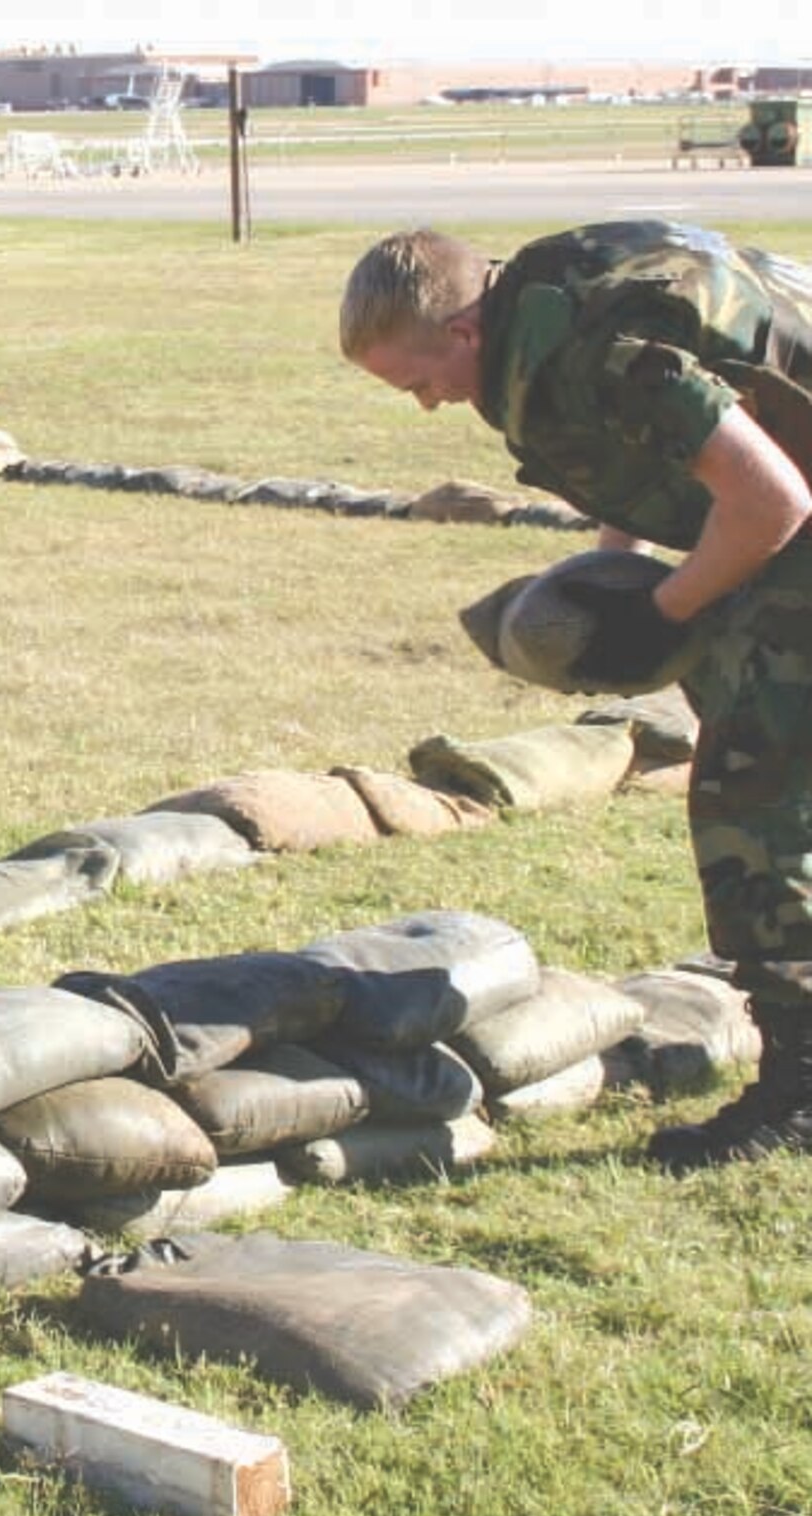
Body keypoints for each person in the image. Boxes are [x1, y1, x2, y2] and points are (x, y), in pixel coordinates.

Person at [340, 220, 812, 1174]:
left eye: (419, 380)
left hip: (792, 508)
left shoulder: (592, 345)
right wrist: (615, 569)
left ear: (464, 332)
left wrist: (658, 617)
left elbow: (772, 501)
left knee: (754, 796)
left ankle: (800, 1096)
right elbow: (660, 445)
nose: (429, 406)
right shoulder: (557, 299)